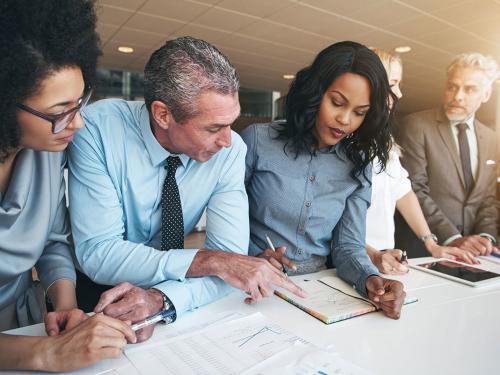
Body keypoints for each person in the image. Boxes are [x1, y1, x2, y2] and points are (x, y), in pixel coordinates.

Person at [68, 36, 305, 342]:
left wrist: (161, 299)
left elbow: (230, 263)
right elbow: (98, 253)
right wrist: (209, 261)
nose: (228, 141)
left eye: (230, 123)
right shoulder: (96, 130)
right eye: (213, 128)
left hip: (179, 295)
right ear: (163, 115)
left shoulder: (230, 152)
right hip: (98, 294)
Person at [0, 0, 136, 371]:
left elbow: (53, 241)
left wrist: (66, 305)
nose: (76, 124)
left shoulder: (45, 150)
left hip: (26, 325)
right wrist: (47, 354)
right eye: (61, 112)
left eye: (80, 103)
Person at [242, 41, 406, 319]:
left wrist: (370, 278)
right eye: (338, 103)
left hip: (316, 295)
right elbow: (222, 221)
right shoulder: (257, 140)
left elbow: (347, 246)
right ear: (315, 92)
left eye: (359, 112)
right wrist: (250, 257)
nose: (344, 119)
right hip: (249, 289)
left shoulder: (358, 164)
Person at [365, 49, 477, 275]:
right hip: (353, 258)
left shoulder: (383, 140)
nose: (400, 93)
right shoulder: (342, 141)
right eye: (393, 84)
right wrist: (373, 255)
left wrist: (432, 244)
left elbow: (403, 192)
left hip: (383, 258)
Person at [395, 53, 499, 258]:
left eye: (470, 89)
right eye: (452, 86)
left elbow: (487, 198)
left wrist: (486, 237)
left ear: (486, 95)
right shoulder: (416, 125)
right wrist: (453, 238)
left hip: (472, 255)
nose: (458, 96)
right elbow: (414, 188)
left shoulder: (492, 138)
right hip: (423, 250)